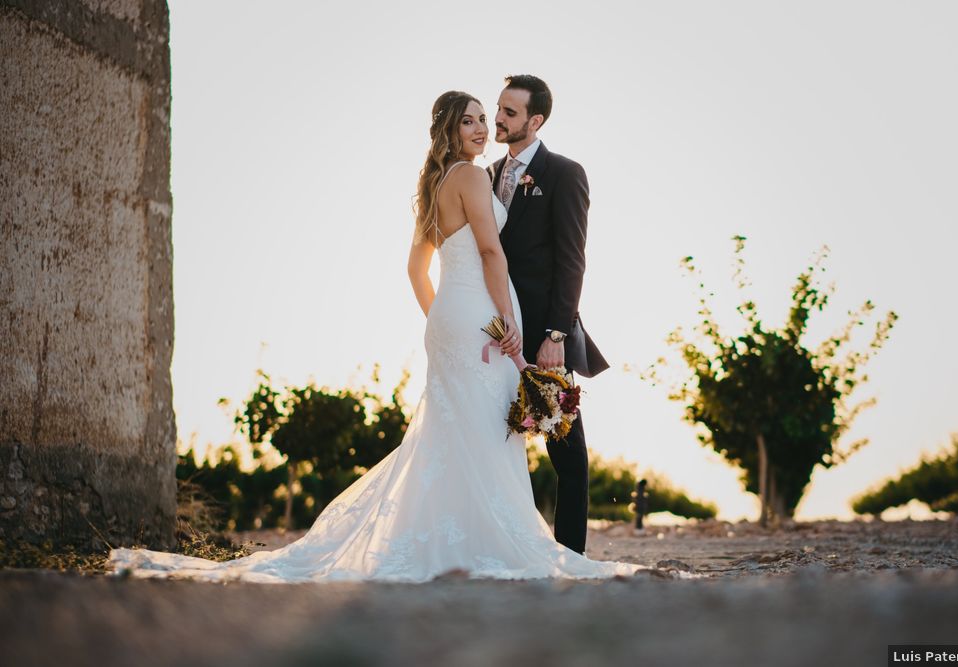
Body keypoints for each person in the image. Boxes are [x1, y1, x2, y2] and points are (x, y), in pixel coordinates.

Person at [106, 89, 642, 583]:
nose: (487, 124)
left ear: (533, 118)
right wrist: (505, 326)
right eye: (476, 118)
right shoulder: (478, 176)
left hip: (457, 318)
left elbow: (421, 269)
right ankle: (493, 540)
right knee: (483, 427)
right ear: (450, 130)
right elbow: (491, 252)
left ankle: (479, 538)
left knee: (458, 430)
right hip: (488, 319)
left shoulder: (441, 181)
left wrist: (446, 320)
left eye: (495, 115)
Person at [492, 74, 606, 554]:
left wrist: (557, 332)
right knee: (491, 433)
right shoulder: (486, 174)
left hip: (543, 331)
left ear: (535, 121)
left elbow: (572, 258)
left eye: (510, 112)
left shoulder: (564, 172)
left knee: (565, 448)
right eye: (498, 108)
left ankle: (572, 552)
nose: (498, 118)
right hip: (495, 326)